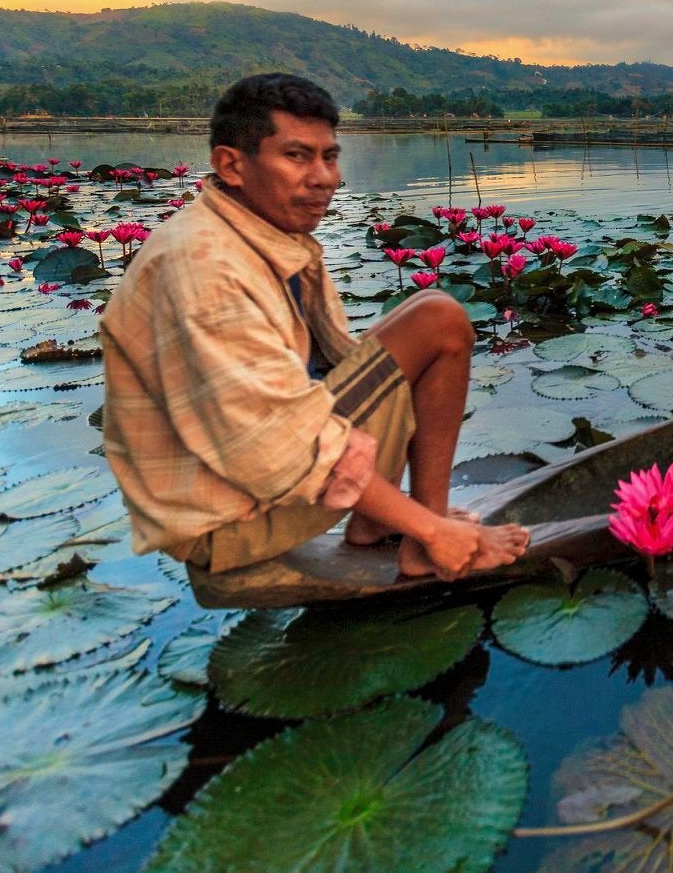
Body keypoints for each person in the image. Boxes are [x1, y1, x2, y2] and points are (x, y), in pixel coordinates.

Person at [99, 73, 529, 583]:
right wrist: (438, 534)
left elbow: (325, 373)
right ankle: (425, 539)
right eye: (297, 156)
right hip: (224, 518)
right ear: (231, 165)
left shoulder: (263, 230)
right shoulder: (206, 267)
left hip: (241, 477)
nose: (324, 177)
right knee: (441, 323)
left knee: (436, 315)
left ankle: (382, 524)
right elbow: (281, 448)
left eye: (329, 156)